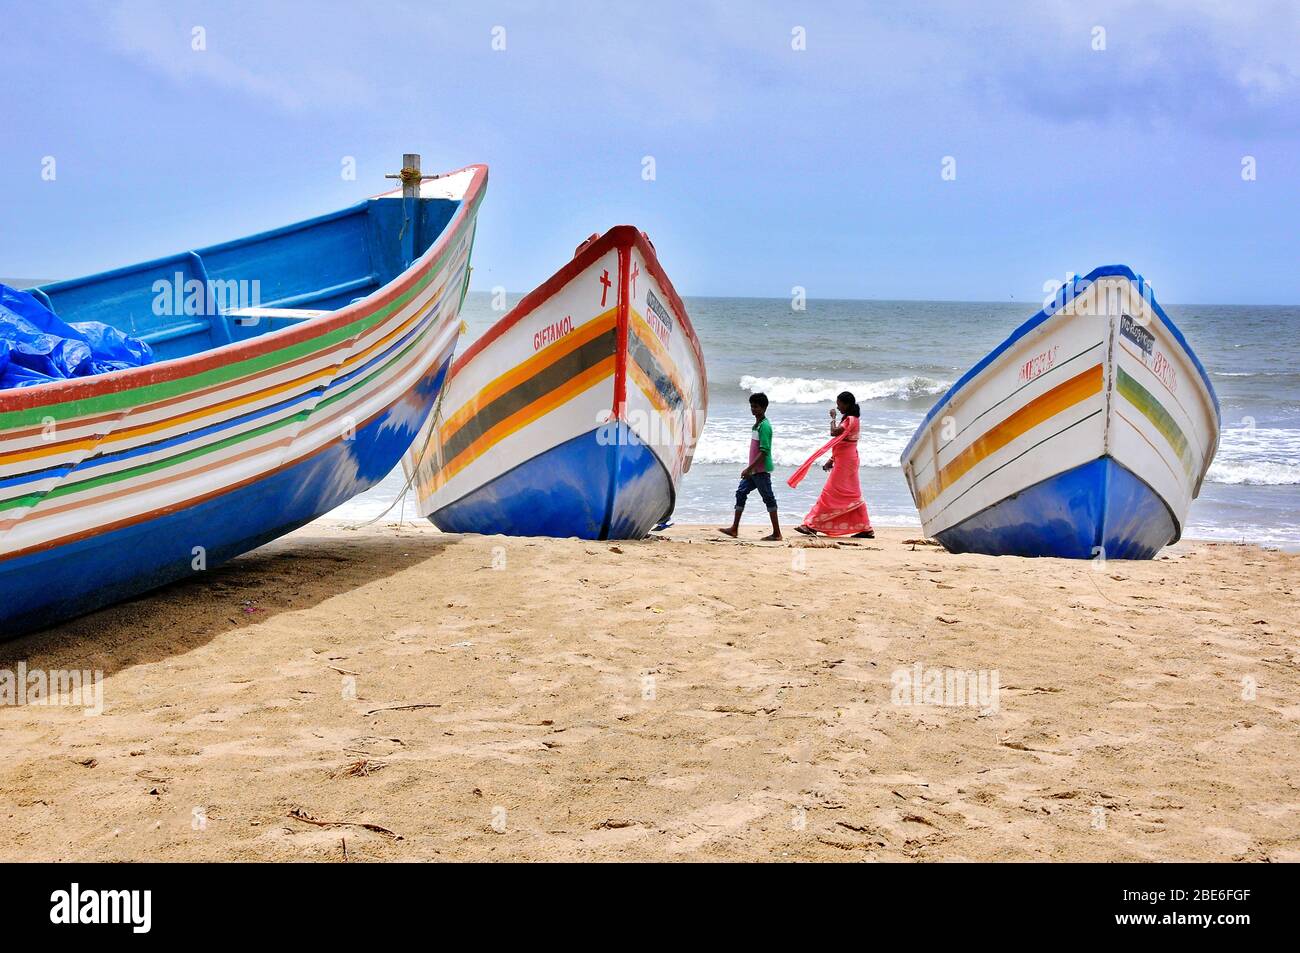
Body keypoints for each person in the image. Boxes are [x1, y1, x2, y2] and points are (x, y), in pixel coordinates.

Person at [789, 391, 874, 538]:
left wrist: (833, 418)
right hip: (846, 460)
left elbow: (834, 433)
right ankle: (865, 528)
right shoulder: (851, 419)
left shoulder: (850, 420)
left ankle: (812, 525)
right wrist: (832, 460)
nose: (838, 406)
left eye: (839, 404)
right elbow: (842, 443)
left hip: (846, 462)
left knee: (829, 493)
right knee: (852, 494)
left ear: (846, 404)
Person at [719, 392, 782, 541]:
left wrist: (749, 469)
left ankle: (777, 533)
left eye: (756, 407)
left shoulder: (765, 426)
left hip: (760, 471)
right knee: (741, 492)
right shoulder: (757, 425)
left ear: (764, 408)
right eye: (752, 406)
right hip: (754, 471)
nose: (753, 409)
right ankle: (734, 529)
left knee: (769, 499)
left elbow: (764, 451)